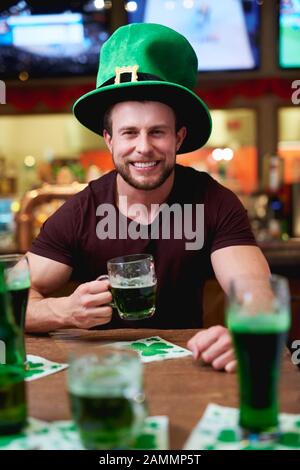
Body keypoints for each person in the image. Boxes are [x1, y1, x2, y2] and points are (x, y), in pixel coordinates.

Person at [26, 23, 270, 373]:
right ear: (109, 140)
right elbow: (10, 299)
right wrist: (61, 311)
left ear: (178, 138)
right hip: (100, 376)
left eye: (157, 131)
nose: (143, 147)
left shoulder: (214, 202)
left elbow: (254, 288)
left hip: (189, 376)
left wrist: (246, 331)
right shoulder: (81, 210)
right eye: (129, 133)